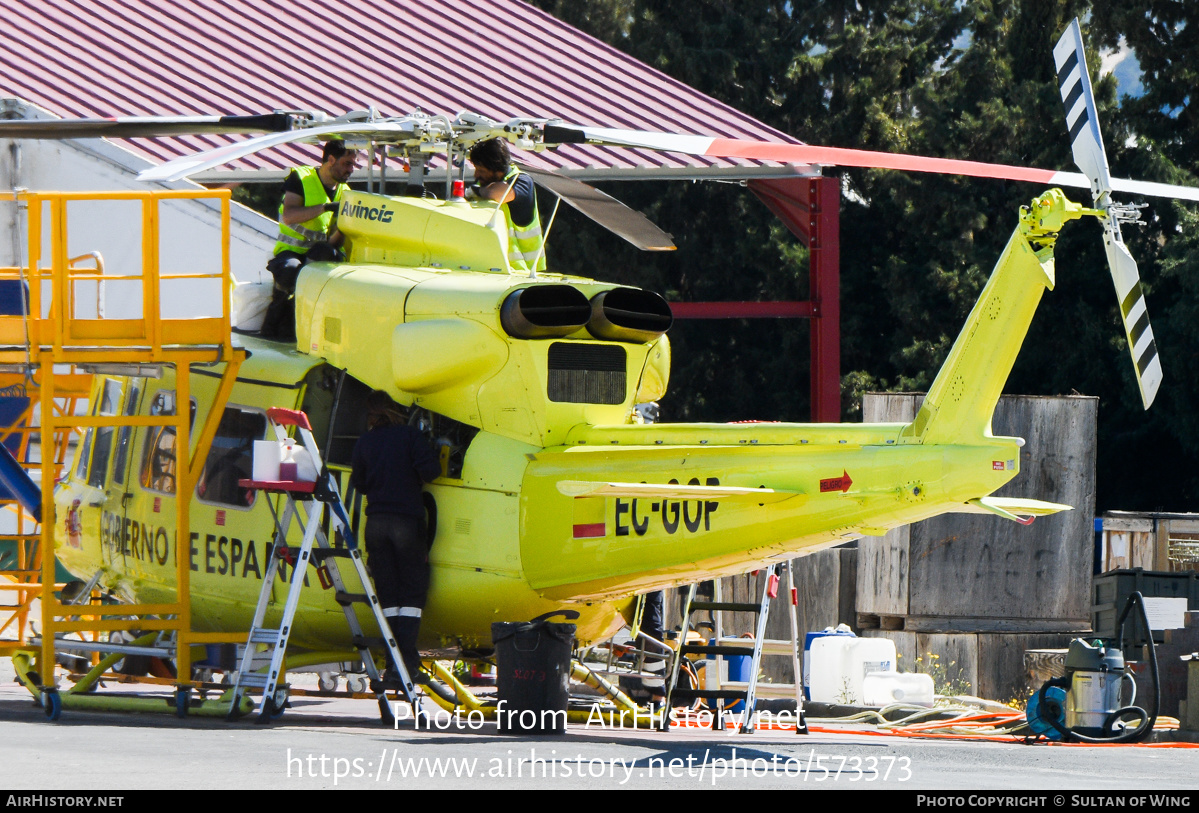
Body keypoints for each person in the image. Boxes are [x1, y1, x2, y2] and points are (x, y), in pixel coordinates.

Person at [350, 391, 441, 682]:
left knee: (388, 597)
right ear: (395, 409)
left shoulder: (365, 442)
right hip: (405, 522)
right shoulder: (410, 436)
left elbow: (360, 484)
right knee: (412, 596)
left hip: (375, 524)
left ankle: (392, 665)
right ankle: (409, 664)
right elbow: (432, 472)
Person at [261, 139, 359, 340]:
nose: (351, 170)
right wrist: (325, 207)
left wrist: (344, 226)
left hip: (316, 255)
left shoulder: (345, 192)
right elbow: (289, 215)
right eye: (347, 164)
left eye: (353, 165)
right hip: (290, 252)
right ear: (331, 159)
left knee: (327, 263)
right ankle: (271, 330)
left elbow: (335, 240)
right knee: (289, 271)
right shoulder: (302, 178)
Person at [467, 137, 546, 273]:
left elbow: (498, 194)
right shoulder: (486, 187)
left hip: (523, 272)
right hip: (492, 269)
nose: (476, 175)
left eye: (481, 170)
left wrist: (476, 191)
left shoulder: (521, 181)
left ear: (497, 170)